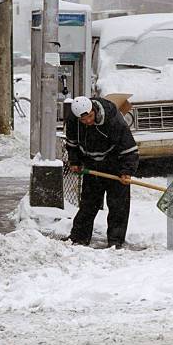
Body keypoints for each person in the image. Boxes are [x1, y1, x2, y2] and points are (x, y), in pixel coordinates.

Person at [65, 96, 139, 248]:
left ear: (94, 109)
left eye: (90, 117)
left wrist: (126, 171)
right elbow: (72, 144)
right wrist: (75, 161)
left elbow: (129, 148)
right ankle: (79, 238)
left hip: (116, 164)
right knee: (88, 204)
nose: (87, 122)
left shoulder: (113, 119)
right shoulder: (73, 121)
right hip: (92, 166)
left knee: (118, 206)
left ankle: (115, 241)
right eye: (83, 120)